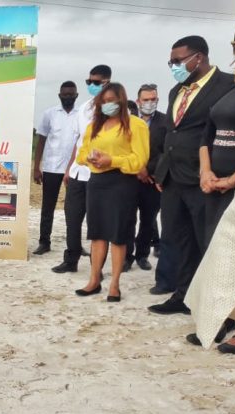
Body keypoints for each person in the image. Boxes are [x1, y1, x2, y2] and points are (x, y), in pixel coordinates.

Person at [185, 26, 235, 353]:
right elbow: (207, 133)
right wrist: (206, 170)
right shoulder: (234, 88)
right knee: (219, 254)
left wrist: (232, 180)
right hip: (213, 183)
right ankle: (222, 316)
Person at [149, 36, 235, 315]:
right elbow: (172, 134)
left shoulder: (228, 85)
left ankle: (214, 302)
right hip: (173, 178)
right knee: (178, 238)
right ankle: (183, 295)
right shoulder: (177, 91)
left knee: (207, 240)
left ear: (199, 57)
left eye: (178, 61)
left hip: (205, 177)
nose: (174, 66)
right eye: (171, 62)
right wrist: (161, 172)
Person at [73, 83, 149, 302]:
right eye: (103, 101)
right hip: (97, 181)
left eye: (111, 101)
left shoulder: (136, 125)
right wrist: (89, 158)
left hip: (122, 183)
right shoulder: (95, 125)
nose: (107, 105)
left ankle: (114, 284)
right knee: (96, 233)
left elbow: (139, 160)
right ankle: (94, 280)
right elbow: (82, 152)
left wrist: (112, 160)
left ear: (122, 100)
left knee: (117, 234)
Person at [52, 65, 112, 273]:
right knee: (72, 218)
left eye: (97, 82)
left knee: (98, 223)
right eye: (89, 82)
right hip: (79, 171)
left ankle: (97, 268)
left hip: (101, 174)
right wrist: (69, 168)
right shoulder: (85, 108)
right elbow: (78, 140)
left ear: (108, 82)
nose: (92, 86)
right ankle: (71, 259)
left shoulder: (114, 108)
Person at [123, 84, 168, 273]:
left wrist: (151, 172)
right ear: (138, 101)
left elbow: (165, 151)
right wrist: (137, 169)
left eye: (153, 99)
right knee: (127, 220)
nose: (150, 103)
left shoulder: (166, 121)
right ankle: (127, 257)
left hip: (152, 180)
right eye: (146, 99)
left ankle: (142, 255)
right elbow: (123, 148)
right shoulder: (127, 122)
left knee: (148, 221)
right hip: (130, 179)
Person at [33, 81, 79, 255]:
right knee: (48, 207)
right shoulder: (49, 114)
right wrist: (36, 167)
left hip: (74, 169)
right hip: (51, 167)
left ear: (76, 95)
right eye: (65, 95)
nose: (68, 97)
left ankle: (74, 245)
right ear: (60, 95)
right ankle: (44, 242)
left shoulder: (81, 115)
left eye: (71, 94)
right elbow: (41, 141)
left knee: (74, 209)